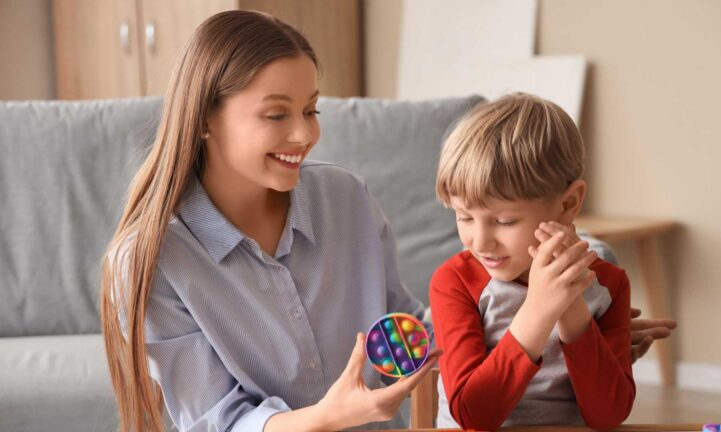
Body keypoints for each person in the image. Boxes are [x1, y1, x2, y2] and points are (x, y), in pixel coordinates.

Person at [100, 10, 675, 432]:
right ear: (204, 118)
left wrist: (582, 335)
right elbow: (213, 422)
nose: (304, 135)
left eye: (310, 110)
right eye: (277, 114)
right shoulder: (152, 260)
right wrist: (325, 418)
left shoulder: (343, 197)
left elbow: (409, 331)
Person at [431, 93, 643, 431]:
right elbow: (473, 417)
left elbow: (608, 417)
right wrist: (539, 310)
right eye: (464, 217)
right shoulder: (454, 281)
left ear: (568, 203)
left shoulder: (609, 285)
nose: (481, 242)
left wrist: (570, 306)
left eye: (504, 221)